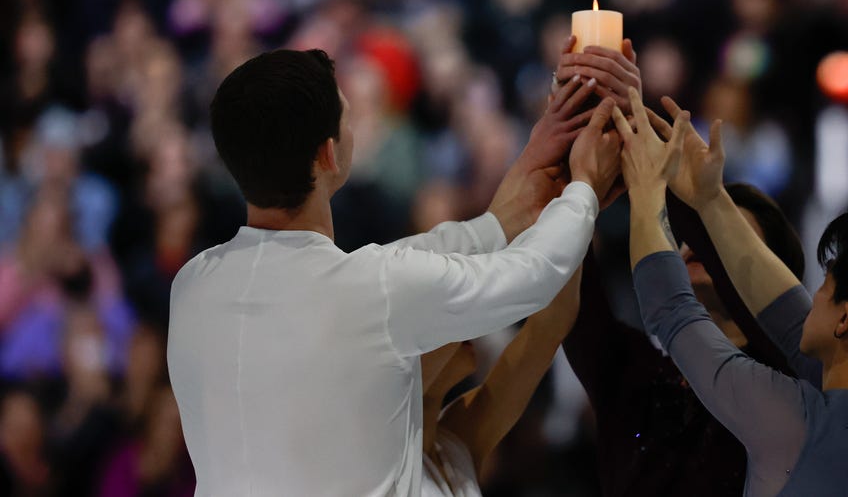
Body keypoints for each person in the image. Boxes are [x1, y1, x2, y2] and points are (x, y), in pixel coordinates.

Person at [166, 49, 622, 496]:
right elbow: (533, 274)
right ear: (328, 155)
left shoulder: (191, 285)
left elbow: (391, 265)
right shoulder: (374, 288)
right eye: (348, 118)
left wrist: (518, 193)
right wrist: (583, 187)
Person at [614, 88, 848, 496]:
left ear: (845, 318)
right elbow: (786, 318)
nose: (810, 295)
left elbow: (671, 310)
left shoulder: (793, 423)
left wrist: (646, 189)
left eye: (826, 285)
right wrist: (711, 198)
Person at [562, 183, 809, 496]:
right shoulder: (633, 372)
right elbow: (573, 293)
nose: (697, 239)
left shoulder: (784, 378)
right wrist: (581, 186)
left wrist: (655, 177)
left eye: (721, 234)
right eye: (694, 232)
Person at [418, 267, 582, 497]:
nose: (463, 328)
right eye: (441, 318)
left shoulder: (455, 439)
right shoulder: (370, 451)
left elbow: (549, 328)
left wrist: (573, 234)